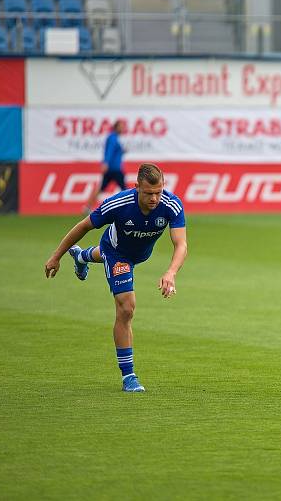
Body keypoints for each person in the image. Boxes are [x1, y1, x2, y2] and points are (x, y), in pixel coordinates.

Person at [44, 163, 187, 393]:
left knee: (110, 259)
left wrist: (171, 272)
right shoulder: (118, 203)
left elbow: (181, 244)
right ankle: (129, 376)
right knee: (126, 308)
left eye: (159, 192)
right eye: (149, 193)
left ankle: (82, 256)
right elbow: (83, 226)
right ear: (136, 187)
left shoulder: (171, 204)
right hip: (116, 251)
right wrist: (55, 256)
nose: (154, 198)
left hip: (140, 253)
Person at [84, 120, 126, 213]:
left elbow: (113, 151)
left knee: (101, 188)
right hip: (115, 168)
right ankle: (130, 207)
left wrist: (122, 150)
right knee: (125, 190)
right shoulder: (113, 138)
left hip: (112, 168)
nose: (123, 128)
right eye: (121, 126)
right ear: (116, 127)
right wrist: (105, 163)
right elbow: (109, 151)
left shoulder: (114, 137)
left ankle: (87, 207)